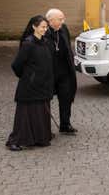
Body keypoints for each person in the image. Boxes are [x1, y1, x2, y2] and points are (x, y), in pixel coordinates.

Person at [6, 16, 54, 151]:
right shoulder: (28, 43)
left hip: (43, 85)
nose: (45, 30)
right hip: (29, 86)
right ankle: (16, 141)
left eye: (46, 27)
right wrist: (28, 77)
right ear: (34, 27)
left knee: (39, 112)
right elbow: (16, 65)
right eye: (42, 27)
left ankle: (40, 138)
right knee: (25, 115)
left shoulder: (45, 42)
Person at [45, 9, 78, 134]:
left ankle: (65, 124)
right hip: (49, 73)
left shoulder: (64, 29)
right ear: (50, 20)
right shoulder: (44, 32)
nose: (63, 21)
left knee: (66, 98)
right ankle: (45, 128)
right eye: (60, 19)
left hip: (64, 73)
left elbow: (68, 47)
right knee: (46, 100)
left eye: (63, 19)